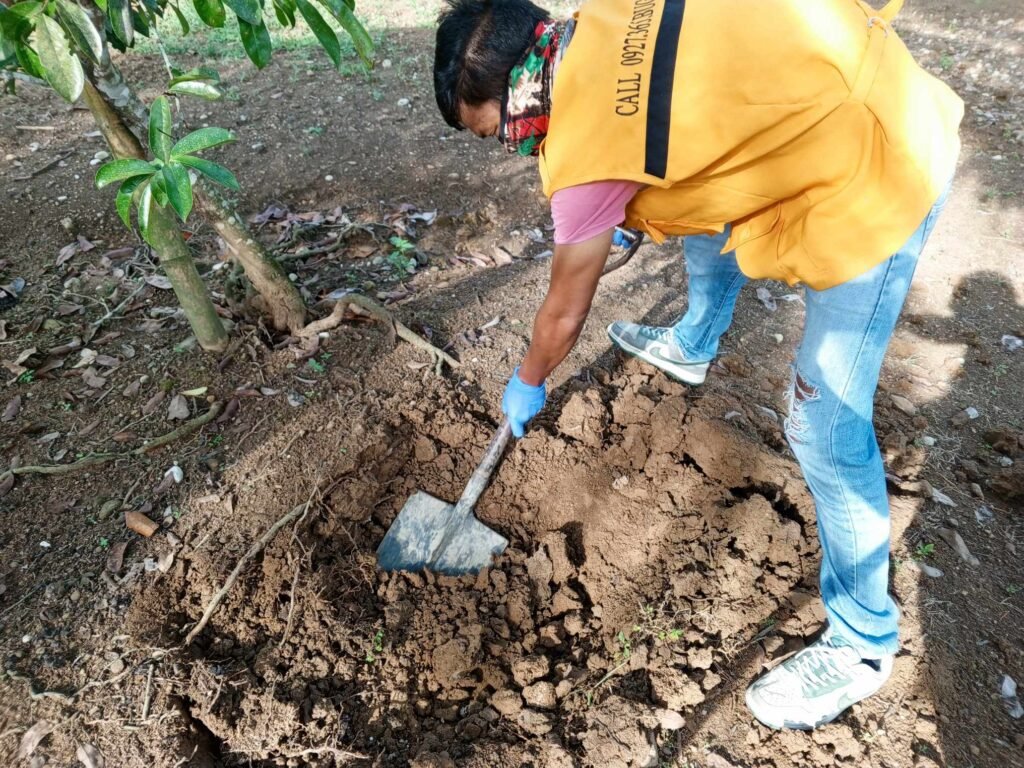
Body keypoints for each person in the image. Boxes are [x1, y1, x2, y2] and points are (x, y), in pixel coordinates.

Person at [433, 0, 962, 730]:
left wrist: (528, 380)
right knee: (697, 210)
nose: (505, 148)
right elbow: (689, 129)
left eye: (493, 132)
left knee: (822, 424)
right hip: (859, 89)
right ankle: (694, 340)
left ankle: (862, 644)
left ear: (514, 94)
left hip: (880, 167)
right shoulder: (607, 21)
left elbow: (562, 311)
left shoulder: (586, 154)